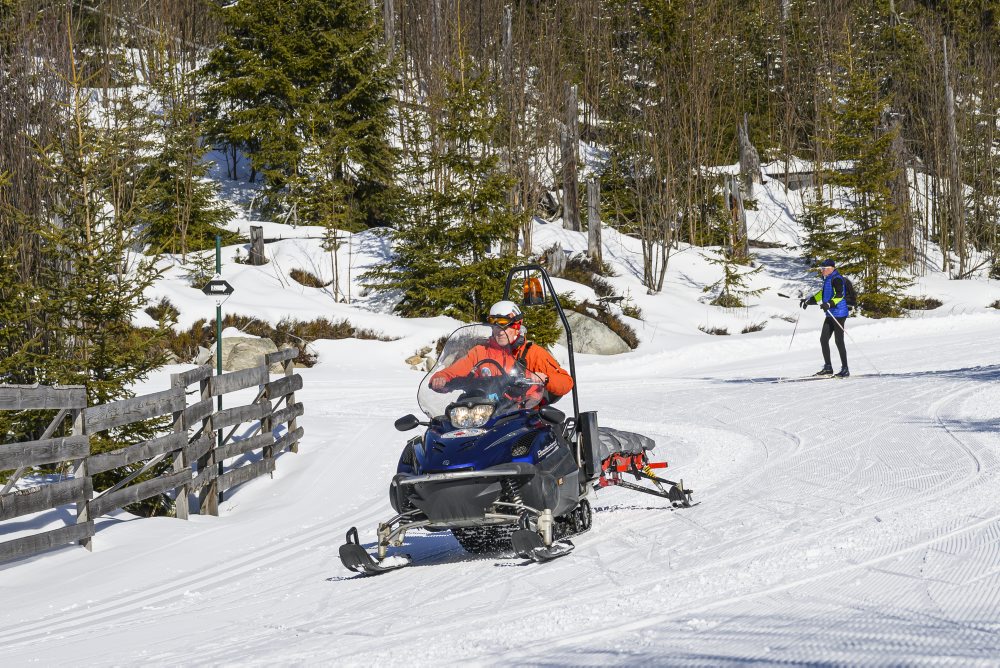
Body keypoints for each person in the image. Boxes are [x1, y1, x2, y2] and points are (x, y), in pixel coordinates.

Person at [429, 300, 574, 402]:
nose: (499, 331)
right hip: (488, 413)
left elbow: (566, 382)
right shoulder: (480, 352)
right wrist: (440, 378)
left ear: (517, 326)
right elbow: (453, 372)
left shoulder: (532, 353)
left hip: (524, 414)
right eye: (496, 327)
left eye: (505, 326)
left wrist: (545, 379)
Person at [799, 258, 850, 378]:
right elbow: (821, 294)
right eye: (821, 269)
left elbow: (839, 295)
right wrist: (807, 301)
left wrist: (829, 304)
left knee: (839, 341)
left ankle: (845, 369)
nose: (821, 271)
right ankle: (828, 368)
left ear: (830, 269)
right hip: (830, 313)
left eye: (823, 269)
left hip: (839, 313)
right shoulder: (827, 279)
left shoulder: (837, 278)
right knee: (823, 339)